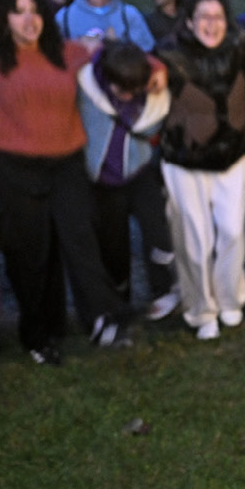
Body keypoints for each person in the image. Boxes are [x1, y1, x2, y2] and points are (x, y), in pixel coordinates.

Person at [0, 0, 135, 363]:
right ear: (2, 19)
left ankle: (102, 319)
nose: (29, 19)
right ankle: (39, 334)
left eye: (35, 11)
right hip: (12, 168)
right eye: (18, 11)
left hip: (66, 163)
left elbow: (127, 63)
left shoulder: (68, 53)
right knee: (29, 254)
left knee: (81, 241)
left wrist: (155, 70)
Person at [157, 0, 245, 340]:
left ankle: (231, 298)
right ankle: (201, 309)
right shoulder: (169, 55)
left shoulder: (240, 43)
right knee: (195, 242)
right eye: (203, 17)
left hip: (232, 155)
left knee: (231, 231)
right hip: (186, 161)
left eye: (218, 17)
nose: (211, 25)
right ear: (189, 20)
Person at [75, 40, 176, 322]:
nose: (129, 96)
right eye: (123, 90)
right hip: (102, 181)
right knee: (113, 247)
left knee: (159, 234)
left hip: (140, 172)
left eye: (135, 90)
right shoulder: (86, 86)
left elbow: (153, 124)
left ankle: (163, 290)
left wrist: (156, 71)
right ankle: (120, 301)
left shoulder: (151, 89)